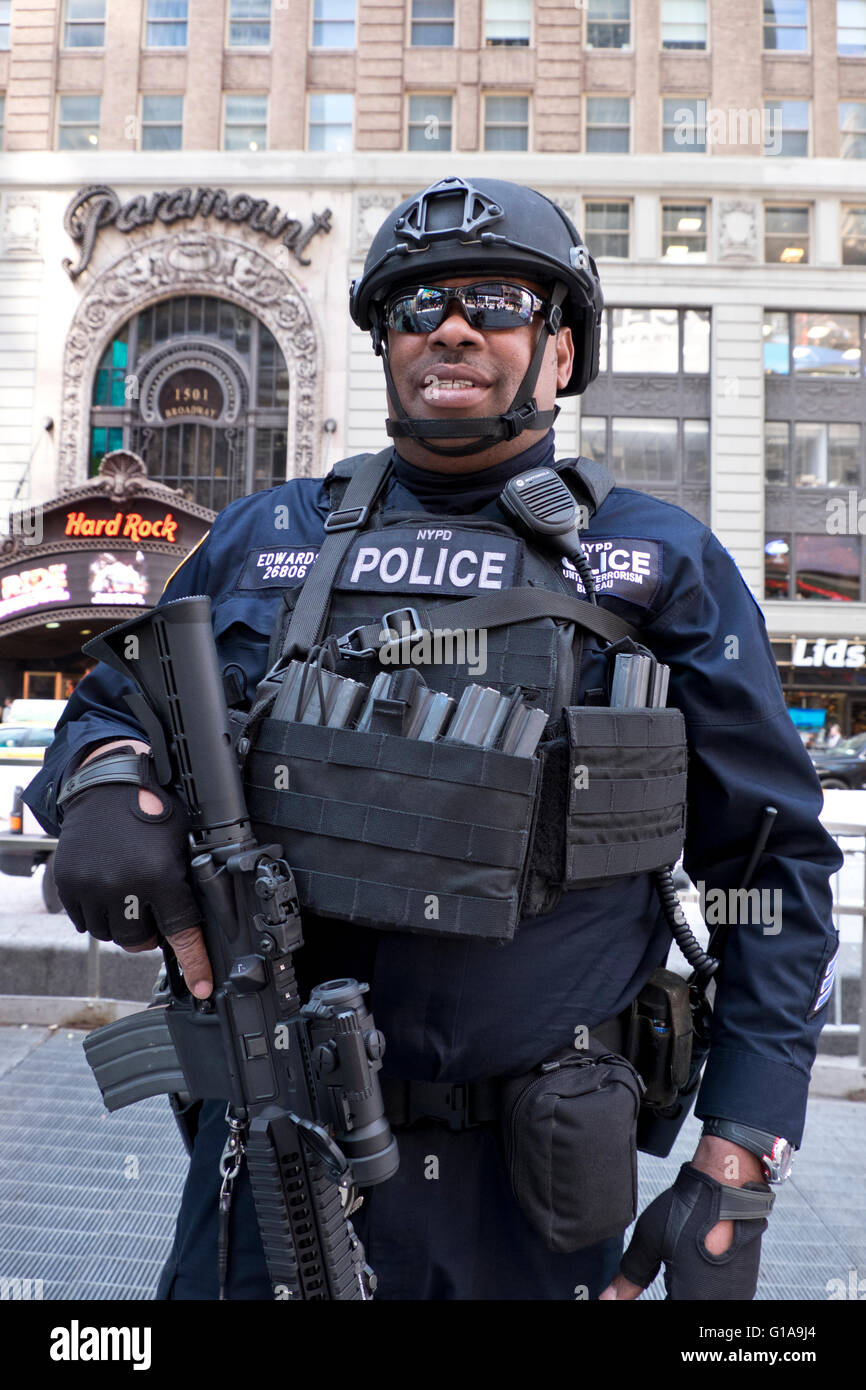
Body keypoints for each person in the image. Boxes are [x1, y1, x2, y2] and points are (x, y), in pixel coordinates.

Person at [26, 176, 841, 1302]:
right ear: (384, 344)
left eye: (495, 299)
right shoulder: (270, 537)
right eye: (415, 304)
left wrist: (740, 1149)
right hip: (271, 1150)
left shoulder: (660, 563)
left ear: (560, 349)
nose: (448, 325)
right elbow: (111, 709)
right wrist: (109, 788)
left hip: (531, 1191)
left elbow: (769, 871)